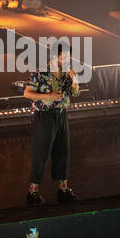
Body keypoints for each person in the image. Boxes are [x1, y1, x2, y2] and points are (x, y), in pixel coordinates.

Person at [24, 40, 79, 206]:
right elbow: (27, 93)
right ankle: (32, 193)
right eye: (66, 56)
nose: (68, 59)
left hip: (61, 115)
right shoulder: (41, 72)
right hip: (45, 117)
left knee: (63, 152)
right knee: (41, 153)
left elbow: (75, 93)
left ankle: (63, 189)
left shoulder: (66, 73)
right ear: (55, 56)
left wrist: (74, 79)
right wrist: (49, 96)